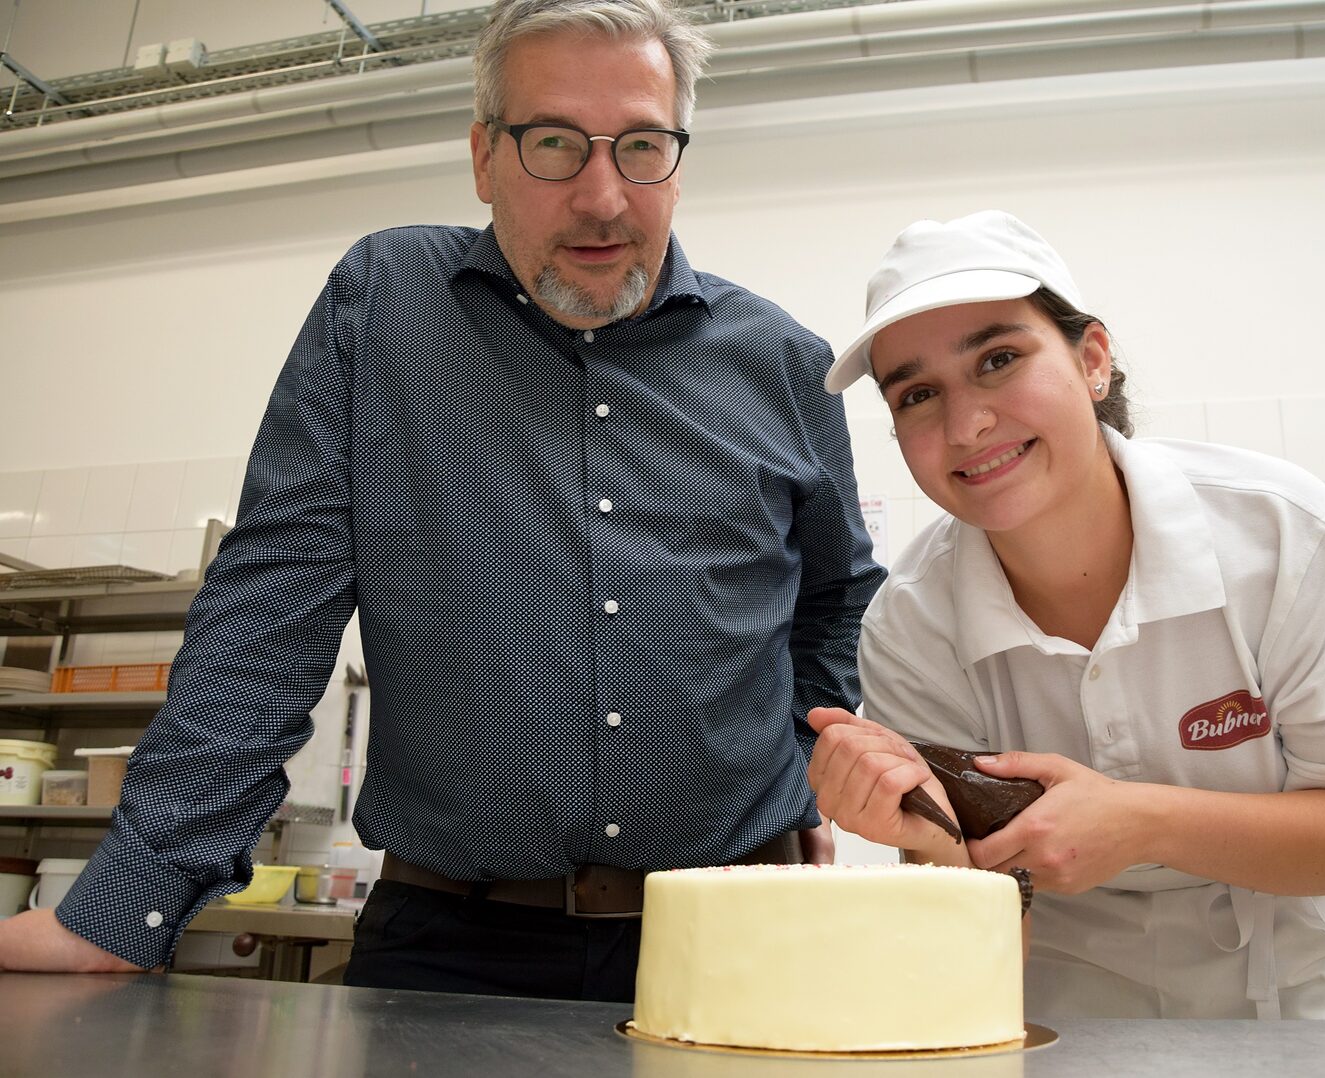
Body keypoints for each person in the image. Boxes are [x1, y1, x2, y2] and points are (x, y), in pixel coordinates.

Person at [0, 0, 884, 1001]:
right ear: (482, 157)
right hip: (452, 943)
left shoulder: (781, 364)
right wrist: (134, 902)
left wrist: (808, 759)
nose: (601, 196)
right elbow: (269, 611)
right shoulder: (386, 309)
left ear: (677, 159)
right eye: (554, 143)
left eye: (640, 145)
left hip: (738, 934)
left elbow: (839, 599)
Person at [806, 210, 1325, 1020]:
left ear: (1092, 359)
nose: (967, 426)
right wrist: (926, 843)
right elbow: (975, 931)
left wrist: (1143, 822)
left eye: (998, 359)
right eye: (918, 394)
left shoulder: (1281, 537)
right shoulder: (914, 627)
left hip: (1316, 998)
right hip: (1080, 1008)